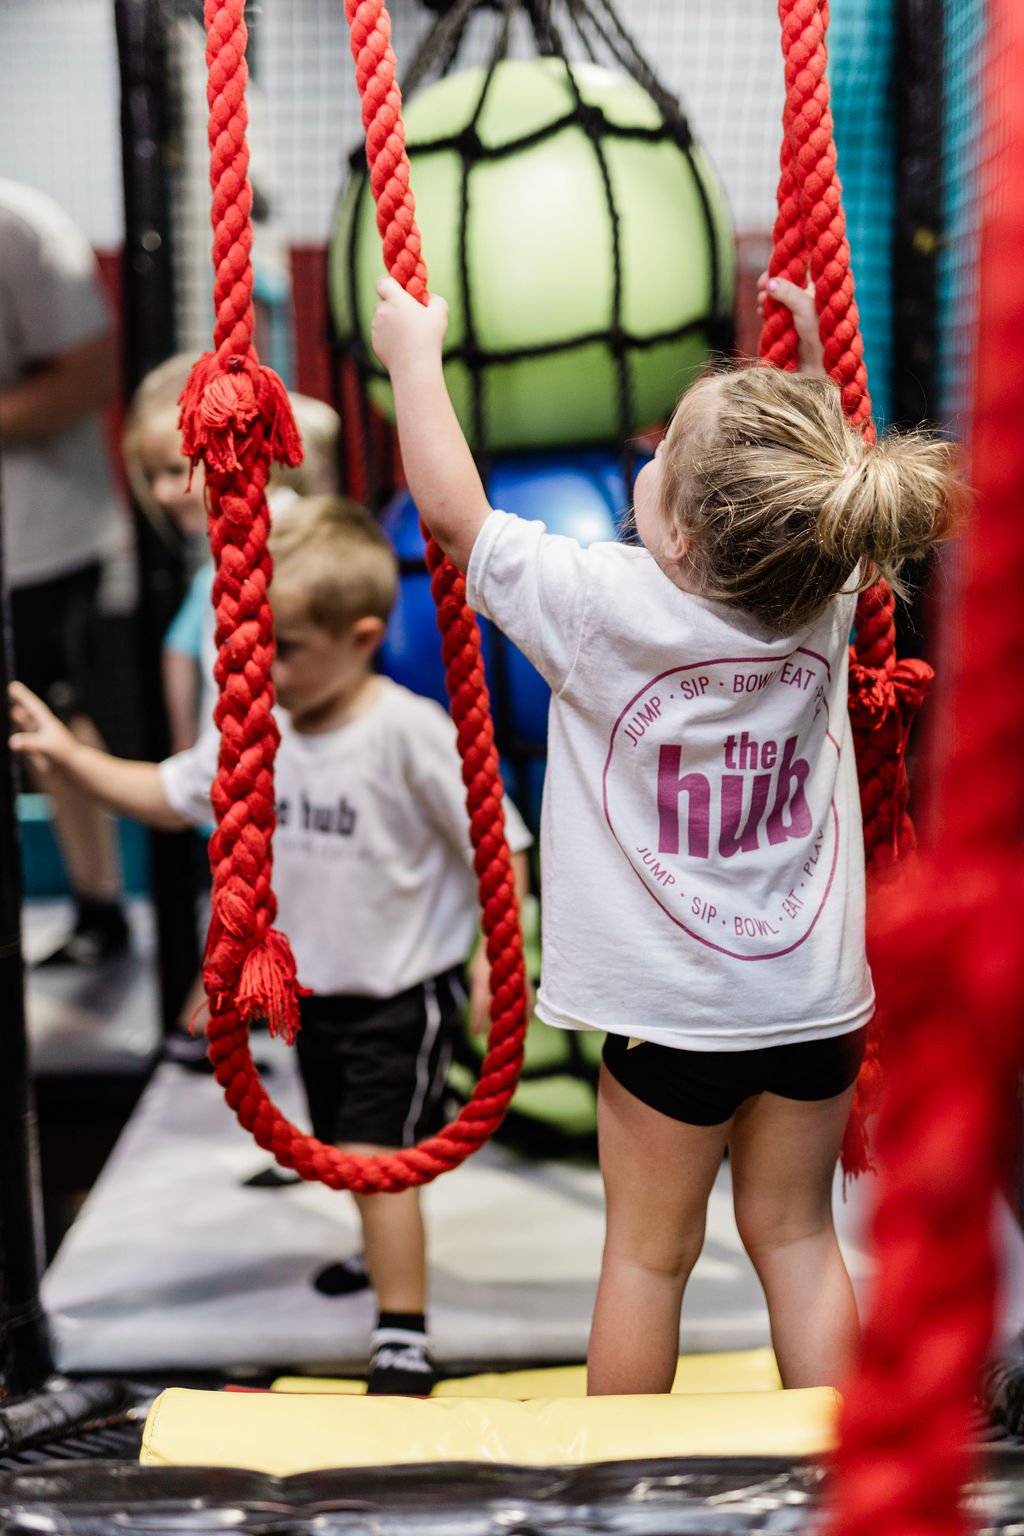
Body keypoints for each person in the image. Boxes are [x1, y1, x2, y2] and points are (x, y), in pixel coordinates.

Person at [369, 269, 961, 1396]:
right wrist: (809, 358)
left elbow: (452, 517)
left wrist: (412, 354)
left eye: (657, 467)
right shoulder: (827, 587)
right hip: (811, 1005)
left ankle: (619, 1497)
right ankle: (829, 1477)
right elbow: (816, 492)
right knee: (795, 1241)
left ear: (679, 540)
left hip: (669, 1020)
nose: (640, 467)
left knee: (647, 1258)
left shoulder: (605, 609)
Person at [9, 492, 531, 1394]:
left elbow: (499, 841)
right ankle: (383, 1257)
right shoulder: (259, 734)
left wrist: (500, 952)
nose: (266, 666)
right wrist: (67, 757)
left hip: (401, 992)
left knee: (375, 1159)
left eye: (287, 649)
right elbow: (162, 793)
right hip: (313, 994)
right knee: (345, 1147)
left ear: (363, 637)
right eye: (258, 644)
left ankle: (401, 1332)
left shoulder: (407, 735)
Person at [0, 178, 129, 964]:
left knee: (47, 714)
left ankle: (100, 908)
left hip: (41, 536)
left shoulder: (19, 226)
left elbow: (88, 376)